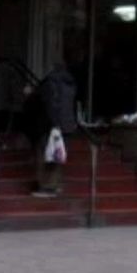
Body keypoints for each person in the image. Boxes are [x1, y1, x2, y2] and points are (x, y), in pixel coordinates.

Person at [26, 61, 78, 197]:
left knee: (46, 154)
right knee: (58, 155)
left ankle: (46, 187)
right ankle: (56, 184)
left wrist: (31, 95)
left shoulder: (50, 84)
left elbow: (48, 104)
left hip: (51, 125)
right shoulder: (70, 84)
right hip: (67, 124)